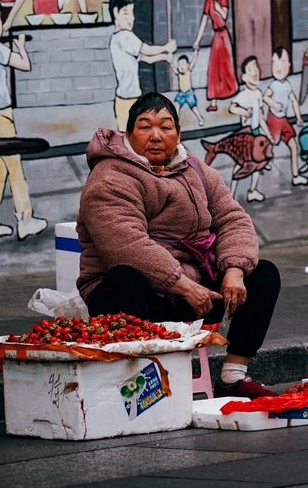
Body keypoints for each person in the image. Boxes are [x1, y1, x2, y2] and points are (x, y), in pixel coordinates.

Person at [77, 92, 281, 399]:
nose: (156, 136)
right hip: (133, 296)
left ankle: (233, 375)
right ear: (129, 134)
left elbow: (233, 218)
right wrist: (183, 285)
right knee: (124, 277)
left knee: (263, 274)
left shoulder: (195, 169)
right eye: (145, 127)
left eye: (165, 127)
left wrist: (234, 270)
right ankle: (144, 385)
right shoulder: (109, 177)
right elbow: (127, 245)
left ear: (178, 134)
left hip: (192, 290)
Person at [0, 2, 47, 240]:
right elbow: (24, 65)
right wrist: (21, 47)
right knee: (15, 167)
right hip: (2, 115)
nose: (1, 24)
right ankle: (25, 219)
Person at [108, 0, 175, 133]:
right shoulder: (125, 36)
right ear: (115, 13)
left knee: (128, 137)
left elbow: (145, 59)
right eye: (126, 13)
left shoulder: (116, 38)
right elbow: (147, 50)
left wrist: (164, 57)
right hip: (129, 99)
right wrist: (166, 47)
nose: (131, 18)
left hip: (126, 98)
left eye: (132, 13)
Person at [193, 0, 238, 112]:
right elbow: (204, 19)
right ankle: (213, 102)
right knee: (213, 68)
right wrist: (197, 40)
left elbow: (224, 16)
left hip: (224, 34)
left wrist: (217, 5)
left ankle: (232, 95)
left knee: (226, 67)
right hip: (216, 36)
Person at [229, 55, 273, 202]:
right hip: (247, 135)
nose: (255, 71)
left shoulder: (258, 93)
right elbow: (232, 108)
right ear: (245, 77)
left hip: (256, 133)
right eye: (250, 70)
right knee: (241, 165)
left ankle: (252, 190)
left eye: (256, 68)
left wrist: (268, 134)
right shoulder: (244, 94)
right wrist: (244, 111)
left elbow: (260, 117)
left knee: (258, 165)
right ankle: (230, 195)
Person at [263, 46, 308, 187]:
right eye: (275, 63)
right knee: (271, 143)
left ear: (288, 65)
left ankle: (296, 175)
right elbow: (265, 97)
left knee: (294, 146)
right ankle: (263, 162)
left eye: (282, 62)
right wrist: (274, 104)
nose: (278, 66)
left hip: (284, 120)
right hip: (274, 119)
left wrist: (299, 117)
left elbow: (294, 101)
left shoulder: (287, 85)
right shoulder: (274, 85)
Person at [171, 51, 204, 127]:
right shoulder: (178, 73)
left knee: (193, 106)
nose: (181, 67)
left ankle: (200, 118)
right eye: (179, 65)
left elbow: (193, 62)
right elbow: (172, 66)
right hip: (181, 93)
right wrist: (170, 61)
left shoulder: (188, 71)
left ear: (188, 65)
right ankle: (176, 122)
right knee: (176, 105)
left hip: (189, 93)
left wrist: (195, 54)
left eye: (183, 64)